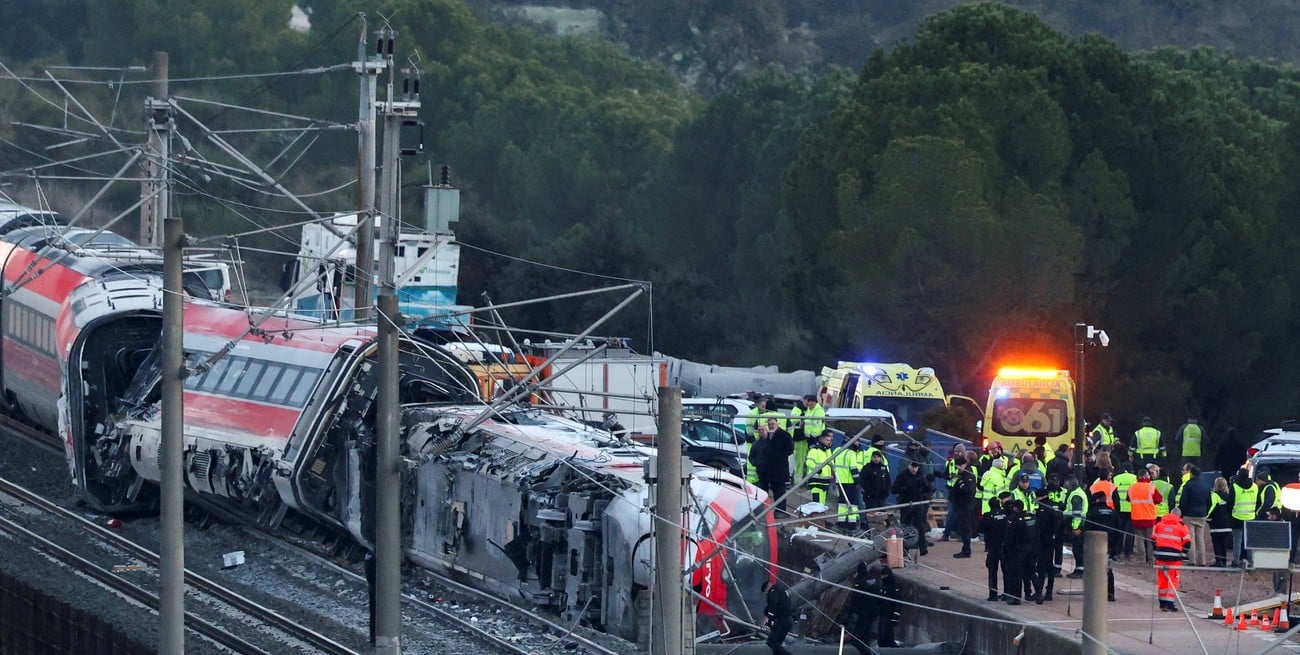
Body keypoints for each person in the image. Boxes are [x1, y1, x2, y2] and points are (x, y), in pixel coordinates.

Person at [892, 458, 933, 556]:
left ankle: (923, 547)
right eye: (913, 466)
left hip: (918, 504)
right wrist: (904, 489)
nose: (914, 469)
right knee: (905, 527)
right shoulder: (902, 476)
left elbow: (929, 488)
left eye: (916, 467)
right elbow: (894, 489)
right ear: (909, 465)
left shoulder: (921, 476)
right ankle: (904, 549)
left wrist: (925, 496)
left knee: (920, 526)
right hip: (906, 504)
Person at [1153, 509, 1191, 612]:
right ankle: (1169, 604)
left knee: (1162, 579)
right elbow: (1187, 543)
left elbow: (1153, 539)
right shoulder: (1182, 526)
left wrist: (1156, 553)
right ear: (1179, 515)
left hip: (1160, 557)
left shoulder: (1159, 524)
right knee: (1173, 580)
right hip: (1174, 558)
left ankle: (1162, 603)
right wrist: (1182, 556)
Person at [752, 419, 794, 512]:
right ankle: (763, 510)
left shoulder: (784, 435)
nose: (771, 426)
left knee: (779, 492)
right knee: (763, 492)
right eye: (769, 424)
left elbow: (790, 449)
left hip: (779, 470)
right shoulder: (766, 437)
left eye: (773, 424)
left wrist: (779, 455)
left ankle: (781, 511)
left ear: (777, 424)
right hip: (766, 471)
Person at [1084, 490, 1119, 602]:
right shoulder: (1113, 513)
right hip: (1111, 545)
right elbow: (1119, 530)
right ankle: (1110, 593)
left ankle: (1095, 593)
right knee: (1108, 570)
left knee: (1094, 570)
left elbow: (1087, 528)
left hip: (1095, 545)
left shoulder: (1092, 512)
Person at [1001, 499, 1037, 605]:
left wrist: (1005, 550)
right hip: (1031, 548)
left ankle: (1016, 598)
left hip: (1018, 550)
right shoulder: (1031, 517)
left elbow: (1009, 537)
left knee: (1016, 574)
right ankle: (1031, 594)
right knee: (1029, 572)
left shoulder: (1013, 519)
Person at [1032, 487, 1063, 603]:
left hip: (1043, 541)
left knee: (1042, 566)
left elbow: (1039, 526)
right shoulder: (1053, 507)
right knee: (1049, 566)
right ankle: (1048, 591)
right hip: (1051, 539)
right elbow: (1059, 519)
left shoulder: (1042, 510)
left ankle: (1039, 591)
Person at [1177, 464, 1212, 566]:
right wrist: (1206, 512)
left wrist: (1182, 514)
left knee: (1191, 538)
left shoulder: (1188, 485)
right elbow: (1209, 501)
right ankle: (1202, 561)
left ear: (1191, 474)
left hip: (1189, 515)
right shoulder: (1206, 485)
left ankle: (1192, 561)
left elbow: (1183, 502)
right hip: (1202, 515)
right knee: (1200, 539)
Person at [981, 491, 1012, 601]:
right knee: (1006, 571)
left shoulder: (987, 516)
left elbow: (980, 529)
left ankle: (993, 594)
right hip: (1004, 546)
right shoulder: (1005, 515)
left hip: (992, 547)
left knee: (992, 571)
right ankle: (1007, 593)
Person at [1128, 467, 1163, 565]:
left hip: (1136, 517)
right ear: (1145, 476)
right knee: (1150, 540)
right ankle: (1151, 560)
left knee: (1139, 540)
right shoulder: (1151, 486)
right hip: (1150, 517)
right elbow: (1159, 500)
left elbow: (1129, 498)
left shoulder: (1132, 487)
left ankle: (1141, 560)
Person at [789, 393, 825, 479]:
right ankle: (801, 479)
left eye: (811, 402)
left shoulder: (817, 411)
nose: (809, 404)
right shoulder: (807, 410)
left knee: (808, 459)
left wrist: (812, 436)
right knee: (803, 459)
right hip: (805, 438)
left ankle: (805, 478)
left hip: (813, 438)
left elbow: (817, 425)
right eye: (808, 402)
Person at [950, 453, 978, 558]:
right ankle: (965, 548)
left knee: (966, 528)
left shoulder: (968, 475)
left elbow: (969, 490)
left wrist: (961, 483)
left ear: (964, 465)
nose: (958, 468)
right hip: (961, 505)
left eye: (959, 466)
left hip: (966, 506)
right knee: (962, 528)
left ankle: (966, 550)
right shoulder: (961, 475)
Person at [1230, 467, 1258, 567]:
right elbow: (1258, 501)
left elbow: (1230, 503)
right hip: (1251, 517)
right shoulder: (1255, 486)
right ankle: (1250, 561)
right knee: (1249, 541)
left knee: (1237, 540)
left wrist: (1230, 514)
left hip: (1237, 517)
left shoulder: (1235, 486)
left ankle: (1236, 561)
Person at [1063, 476, 1090, 579]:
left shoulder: (1076, 495)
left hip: (1078, 526)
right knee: (1077, 549)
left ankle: (1080, 570)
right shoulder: (1078, 492)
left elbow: (1077, 513)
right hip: (1079, 525)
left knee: (1077, 549)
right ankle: (1079, 569)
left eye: (1067, 484)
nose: (1066, 486)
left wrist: (1075, 528)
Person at [1112, 462, 1138, 560]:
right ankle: (1128, 552)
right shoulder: (1135, 478)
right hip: (1131, 508)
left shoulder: (1116, 478)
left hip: (1119, 508)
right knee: (1130, 532)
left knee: (1119, 530)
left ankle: (1118, 551)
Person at [762, 578, 794, 655]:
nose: (766, 594)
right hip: (788, 621)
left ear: (767, 588)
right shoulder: (782, 590)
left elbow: (772, 605)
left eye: (765, 592)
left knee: (771, 642)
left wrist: (770, 620)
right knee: (777, 644)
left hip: (781, 620)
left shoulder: (774, 591)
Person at [805, 431, 836, 507]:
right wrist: (817, 469)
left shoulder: (828, 451)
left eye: (830, 440)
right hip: (816, 480)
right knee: (817, 502)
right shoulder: (815, 450)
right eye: (827, 440)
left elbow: (831, 463)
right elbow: (809, 461)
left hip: (825, 481)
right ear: (821, 439)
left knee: (822, 502)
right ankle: (816, 517)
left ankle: (820, 517)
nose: (829, 442)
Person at [1208, 476, 1233, 567]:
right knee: (1223, 544)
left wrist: (1207, 517)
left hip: (1217, 524)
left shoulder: (1214, 495)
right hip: (1228, 525)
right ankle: (1224, 561)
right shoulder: (1230, 496)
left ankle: (1219, 561)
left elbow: (1211, 508)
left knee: (1217, 543)